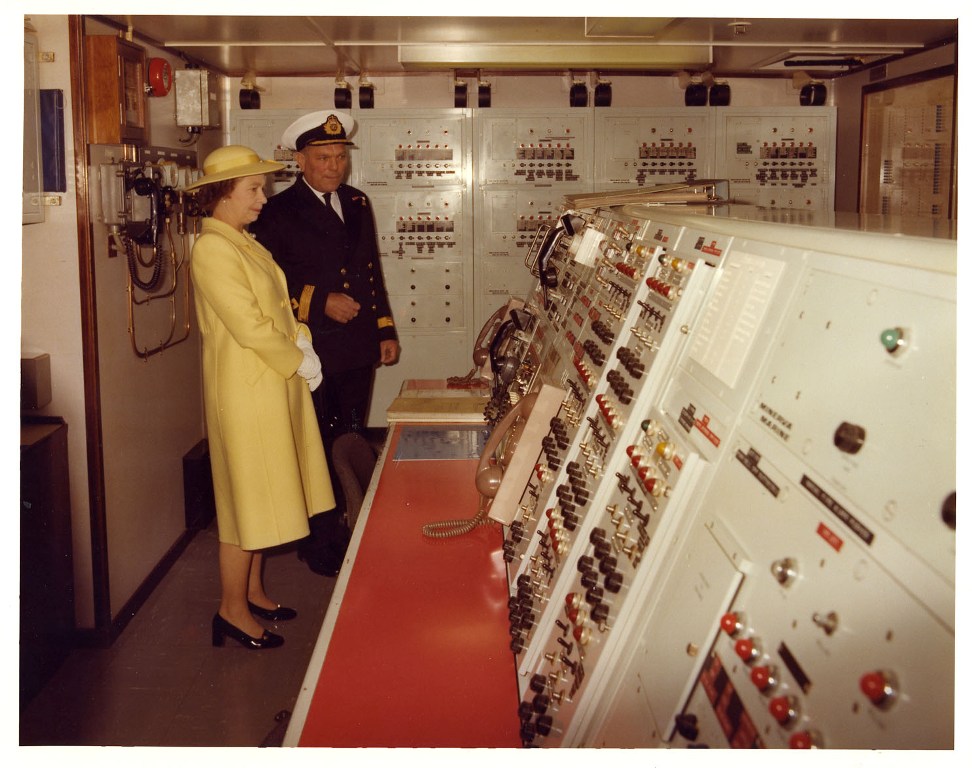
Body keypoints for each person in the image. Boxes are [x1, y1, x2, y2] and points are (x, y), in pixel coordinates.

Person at [185, 145, 336, 649]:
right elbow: (249, 325)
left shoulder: (240, 241)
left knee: (256, 497)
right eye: (252, 190)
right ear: (222, 195)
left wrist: (301, 340)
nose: (262, 198)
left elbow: (276, 309)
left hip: (268, 383)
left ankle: (251, 591)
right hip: (247, 388)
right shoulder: (212, 249)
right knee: (242, 504)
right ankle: (231, 611)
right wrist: (297, 359)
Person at [251, 111, 399, 575]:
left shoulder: (356, 202)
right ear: (300, 160)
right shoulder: (276, 212)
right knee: (316, 446)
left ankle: (352, 524)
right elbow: (270, 284)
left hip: (357, 347)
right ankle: (319, 541)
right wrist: (318, 303)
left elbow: (370, 270)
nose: (334, 166)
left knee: (351, 437)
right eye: (322, 157)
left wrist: (384, 329)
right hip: (311, 350)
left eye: (339, 157)